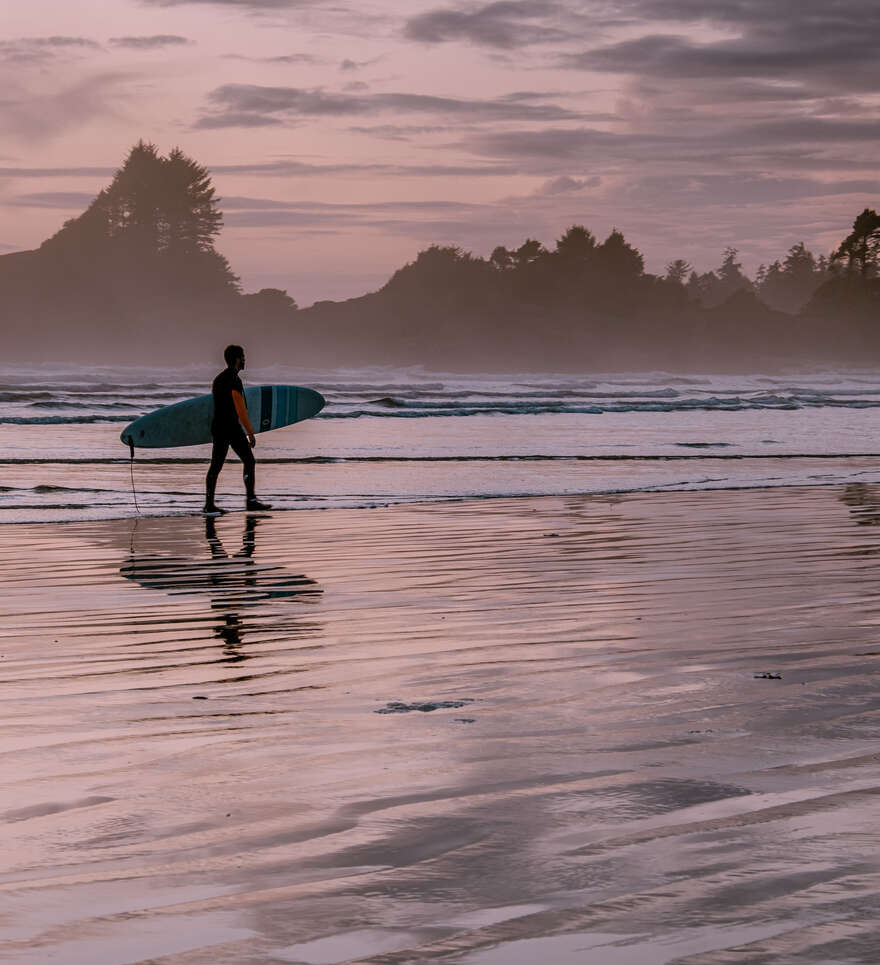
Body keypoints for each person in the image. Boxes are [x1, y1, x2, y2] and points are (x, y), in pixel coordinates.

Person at [203, 344, 271, 514]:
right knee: (249, 461)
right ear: (237, 359)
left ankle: (209, 504)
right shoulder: (234, 380)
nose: (245, 360)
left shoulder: (218, 379)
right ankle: (251, 500)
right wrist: (250, 432)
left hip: (218, 427)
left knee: (215, 466)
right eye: (243, 357)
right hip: (231, 428)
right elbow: (240, 408)